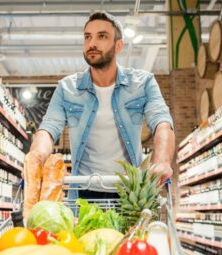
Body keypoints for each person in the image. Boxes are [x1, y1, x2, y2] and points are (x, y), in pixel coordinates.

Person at [28, 11, 175, 199]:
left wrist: (162, 161)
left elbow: (162, 122)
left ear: (119, 45)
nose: (92, 44)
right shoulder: (67, 88)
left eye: (102, 36)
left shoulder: (143, 83)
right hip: (83, 192)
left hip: (130, 192)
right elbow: (48, 130)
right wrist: (37, 158)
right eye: (87, 37)